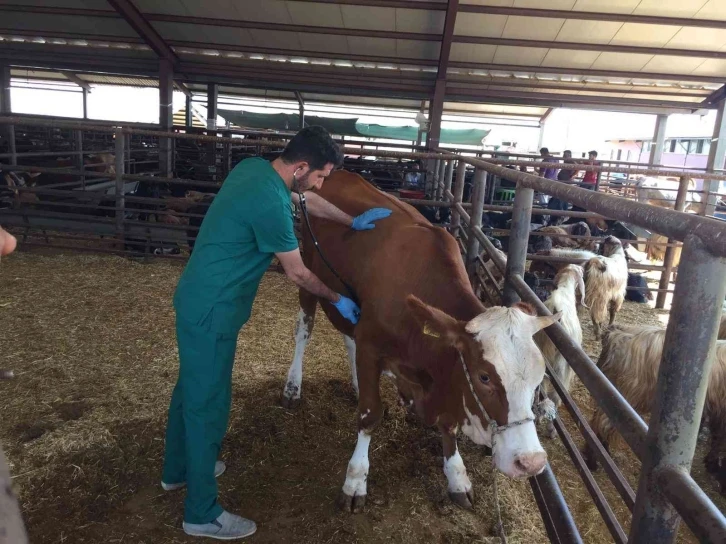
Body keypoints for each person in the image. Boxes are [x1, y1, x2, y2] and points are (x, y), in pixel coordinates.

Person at [162, 126, 391, 540]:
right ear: (302, 167)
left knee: (191, 389)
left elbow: (306, 200)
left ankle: (178, 469)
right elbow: (299, 272)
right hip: (213, 310)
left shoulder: (256, 170)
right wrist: (337, 298)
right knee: (207, 402)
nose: (320, 184)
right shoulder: (270, 202)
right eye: (320, 175)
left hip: (202, 300)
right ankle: (201, 513)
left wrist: (351, 220)